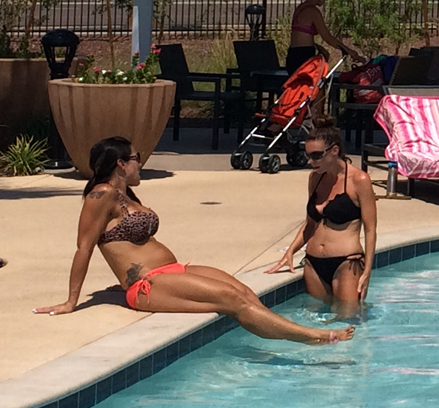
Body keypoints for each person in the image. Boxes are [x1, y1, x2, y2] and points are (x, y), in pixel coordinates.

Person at [36, 137, 352, 345]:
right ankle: (312, 337)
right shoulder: (101, 195)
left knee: (242, 291)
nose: (140, 162)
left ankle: (278, 331)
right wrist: (71, 300)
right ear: (120, 163)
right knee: (233, 300)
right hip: (147, 285)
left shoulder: (126, 195)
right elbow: (84, 247)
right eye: (136, 157)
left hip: (172, 270)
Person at [265, 127, 377, 318]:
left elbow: (370, 229)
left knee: (348, 321)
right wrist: (291, 250)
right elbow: (310, 223)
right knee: (315, 321)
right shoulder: (315, 178)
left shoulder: (359, 179)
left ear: (334, 151)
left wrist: (367, 271)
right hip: (313, 265)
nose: (311, 161)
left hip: (346, 263)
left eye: (316, 155)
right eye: (308, 155)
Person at [287, 0, 360, 71]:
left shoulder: (300, 8)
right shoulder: (313, 11)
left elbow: (301, 37)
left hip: (292, 55)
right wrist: (350, 51)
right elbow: (327, 37)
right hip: (304, 57)